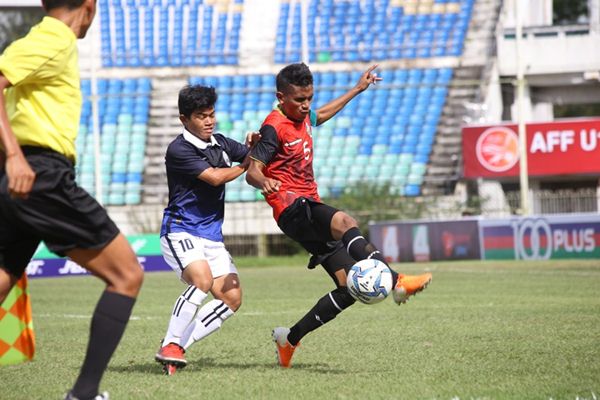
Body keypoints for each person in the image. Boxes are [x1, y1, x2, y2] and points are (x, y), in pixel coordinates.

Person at [0, 1, 144, 399]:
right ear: (89, 6)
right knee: (126, 275)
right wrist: (15, 157)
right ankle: (84, 394)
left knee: (4, 276)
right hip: (40, 176)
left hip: (20, 182)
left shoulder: (46, 40)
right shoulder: (55, 37)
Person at [246, 63, 432, 368]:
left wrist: (358, 89)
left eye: (309, 98)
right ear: (281, 97)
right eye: (299, 100)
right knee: (346, 222)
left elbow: (320, 115)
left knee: (348, 289)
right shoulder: (273, 127)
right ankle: (397, 280)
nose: (306, 105)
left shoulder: (304, 116)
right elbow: (253, 171)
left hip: (307, 206)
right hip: (292, 207)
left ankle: (289, 339)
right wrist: (264, 180)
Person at [154, 85, 256, 375]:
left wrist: (257, 145)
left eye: (211, 115)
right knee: (201, 280)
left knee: (232, 299)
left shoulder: (221, 142)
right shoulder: (179, 149)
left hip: (211, 236)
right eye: (201, 116)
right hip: (181, 230)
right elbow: (214, 177)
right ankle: (172, 342)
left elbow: (253, 154)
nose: (209, 121)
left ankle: (175, 349)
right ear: (184, 119)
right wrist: (245, 165)